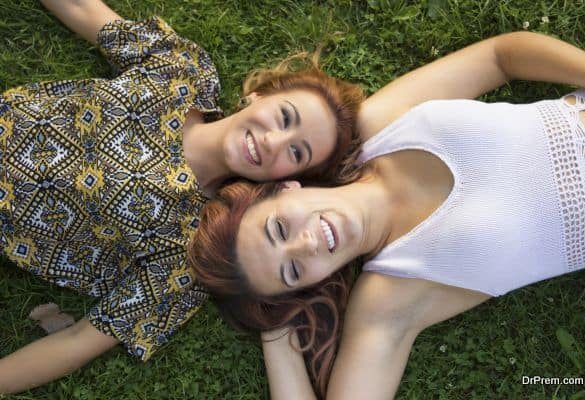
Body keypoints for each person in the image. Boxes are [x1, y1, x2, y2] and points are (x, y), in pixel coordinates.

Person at [189, 31, 585, 399]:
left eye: (279, 228)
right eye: (293, 271)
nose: (306, 243)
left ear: (285, 188)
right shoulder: (388, 299)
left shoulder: (382, 125)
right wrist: (272, 319)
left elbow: (500, 56)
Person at [0, 0, 364, 394]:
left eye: (297, 153)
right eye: (284, 117)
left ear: (288, 181)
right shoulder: (182, 70)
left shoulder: (191, 250)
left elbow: (81, 340)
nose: (273, 142)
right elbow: (84, 11)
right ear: (259, 95)